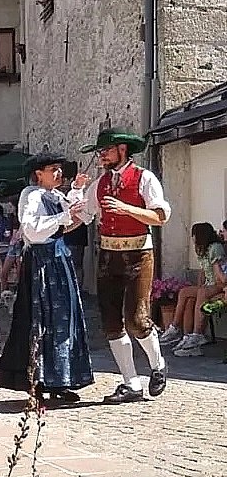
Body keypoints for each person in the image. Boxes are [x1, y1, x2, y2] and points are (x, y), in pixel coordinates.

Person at [70, 126, 171, 404]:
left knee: (137, 319)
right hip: (108, 256)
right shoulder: (100, 184)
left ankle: (158, 365)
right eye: (100, 151)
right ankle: (131, 383)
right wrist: (53, 229)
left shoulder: (144, 178)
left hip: (138, 254)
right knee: (111, 323)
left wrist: (126, 209)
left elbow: (160, 216)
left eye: (106, 150)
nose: (101, 156)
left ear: (122, 149)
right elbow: (83, 216)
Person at [0, 152, 94, 402]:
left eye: (59, 169)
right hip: (41, 262)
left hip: (59, 258)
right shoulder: (31, 195)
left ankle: (61, 379)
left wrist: (77, 193)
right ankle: (36, 379)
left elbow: (72, 222)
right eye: (53, 169)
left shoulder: (56, 195)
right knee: (40, 319)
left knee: (64, 319)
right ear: (39, 174)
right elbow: (32, 230)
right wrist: (64, 217)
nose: (59, 173)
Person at [160, 222, 227, 356]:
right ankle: (183, 334)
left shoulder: (215, 248)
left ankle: (196, 334)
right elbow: (203, 271)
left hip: (218, 285)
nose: (193, 238)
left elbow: (220, 275)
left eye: (194, 235)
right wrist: (199, 285)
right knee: (187, 294)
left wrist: (203, 288)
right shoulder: (204, 249)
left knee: (201, 293)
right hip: (210, 284)